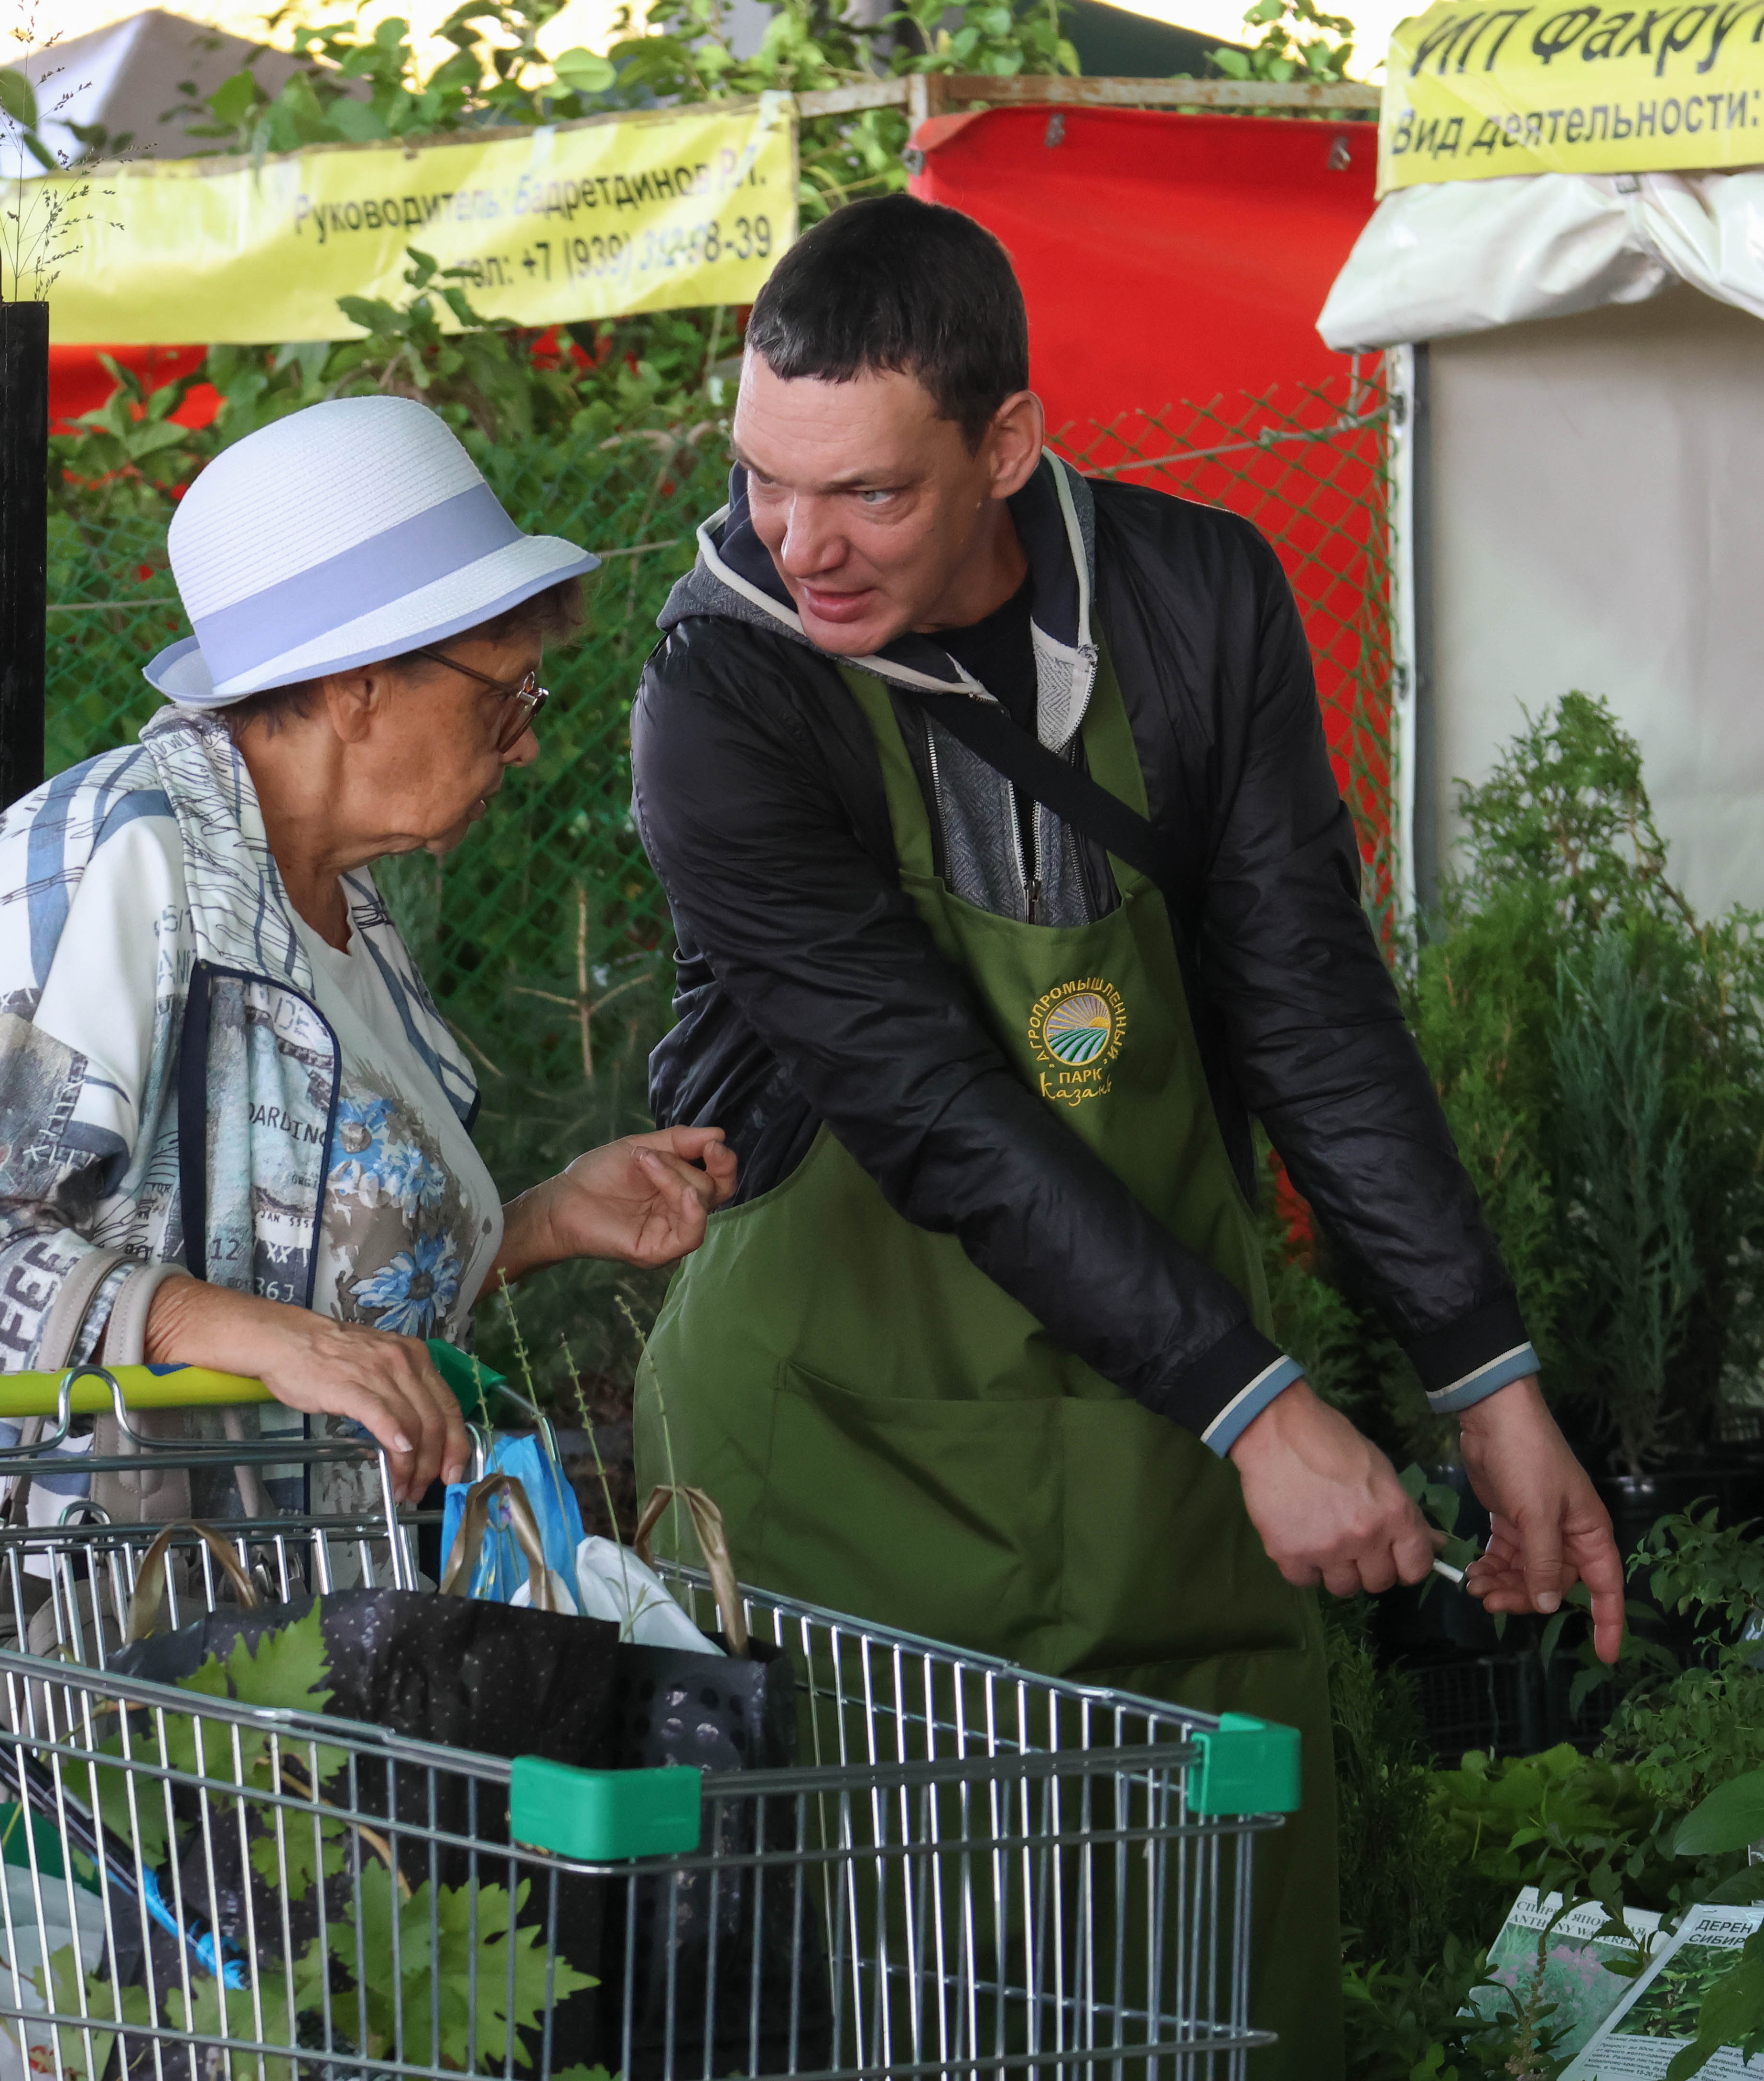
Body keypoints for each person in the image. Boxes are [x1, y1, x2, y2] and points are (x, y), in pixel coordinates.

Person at [629, 195, 1625, 2072]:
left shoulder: (1194, 599)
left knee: (1206, 1989)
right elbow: (934, 1102)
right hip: (846, 1465)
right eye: (765, 477)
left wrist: (1487, 1378)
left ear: (1006, 444)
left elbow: (1305, 1000)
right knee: (907, 2010)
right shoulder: (725, 687)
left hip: (1163, 1444)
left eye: (868, 493)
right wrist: (1267, 1403)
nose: (798, 543)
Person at [0, 392, 737, 1562]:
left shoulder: (343, 910)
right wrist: (270, 1338)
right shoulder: (108, 858)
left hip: (213, 1654)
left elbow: (319, 1309)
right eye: (506, 695)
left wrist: (544, 1218)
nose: (529, 740)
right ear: (359, 685)